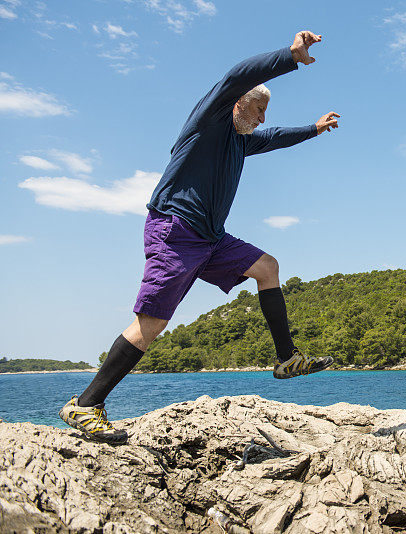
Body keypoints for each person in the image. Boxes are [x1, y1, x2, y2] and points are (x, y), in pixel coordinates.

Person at [59, 30, 339, 444]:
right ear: (239, 102)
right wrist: (289, 56)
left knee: (267, 267)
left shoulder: (240, 144)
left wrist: (314, 129)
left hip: (210, 238)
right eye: (259, 109)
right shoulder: (208, 121)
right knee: (152, 323)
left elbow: (277, 137)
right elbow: (233, 76)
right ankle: (85, 405)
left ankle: (286, 359)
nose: (262, 119)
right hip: (175, 230)